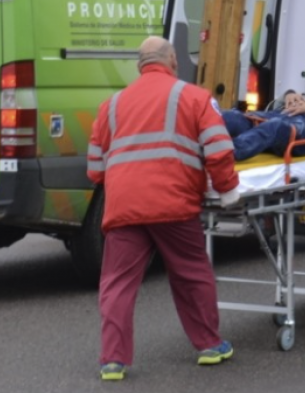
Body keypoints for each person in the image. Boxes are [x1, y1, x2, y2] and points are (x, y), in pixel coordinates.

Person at [86, 36, 242, 381]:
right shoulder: (195, 97)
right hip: (174, 204)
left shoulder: (111, 106)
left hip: (124, 206)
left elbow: (95, 169)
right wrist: (228, 190)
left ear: (140, 65)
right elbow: (218, 148)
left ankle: (113, 361)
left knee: (117, 283)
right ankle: (208, 346)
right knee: (191, 273)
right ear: (172, 59)